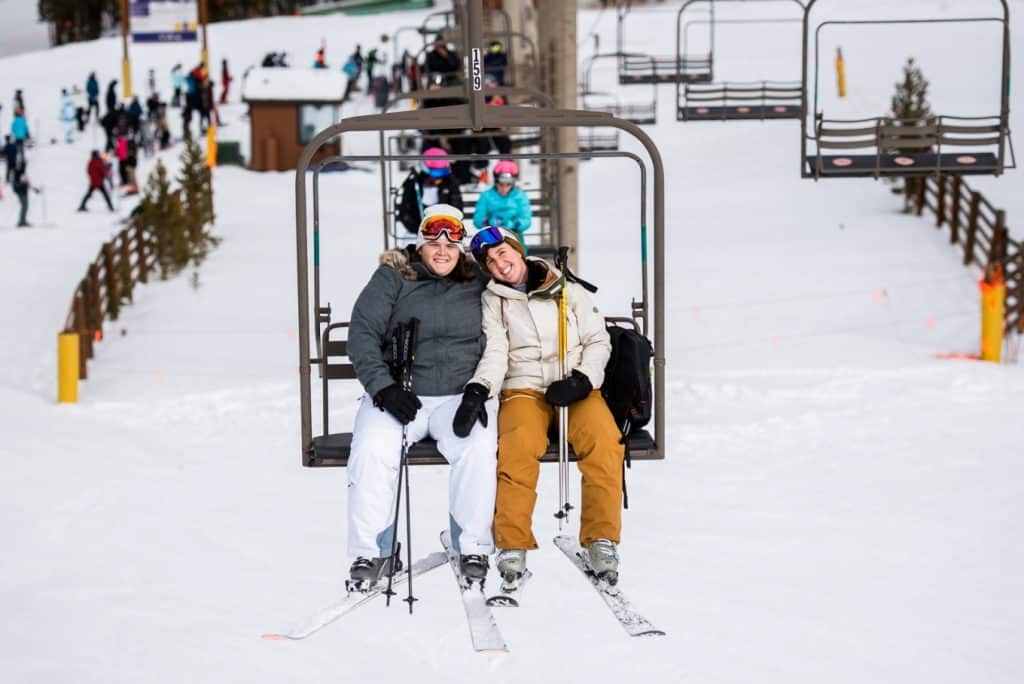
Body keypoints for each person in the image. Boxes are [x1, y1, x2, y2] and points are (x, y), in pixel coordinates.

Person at [345, 204, 497, 588]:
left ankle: (472, 545)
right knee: (372, 449)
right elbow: (362, 334)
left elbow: (516, 292)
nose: (443, 249)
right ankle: (372, 552)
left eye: (452, 240)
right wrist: (383, 388)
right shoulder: (393, 277)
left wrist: (479, 392)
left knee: (477, 448)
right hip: (401, 396)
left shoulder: (478, 280)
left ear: (462, 244)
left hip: (460, 398)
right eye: (433, 240)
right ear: (420, 243)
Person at [467, 227, 625, 585]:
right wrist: (482, 386)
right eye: (490, 262)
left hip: (574, 386)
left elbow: (597, 340)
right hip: (524, 387)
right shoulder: (495, 301)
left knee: (603, 442)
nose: (500, 264)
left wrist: (583, 379)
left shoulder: (567, 290)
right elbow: (496, 352)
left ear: (518, 251)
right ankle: (513, 542)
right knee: (517, 446)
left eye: (503, 254)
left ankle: (601, 538)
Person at [396, 147, 463, 234]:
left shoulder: (450, 183)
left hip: (445, 231)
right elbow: (404, 212)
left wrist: (445, 229)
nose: (437, 177)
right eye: (434, 173)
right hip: (416, 231)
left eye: (442, 172)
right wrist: (419, 231)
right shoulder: (413, 183)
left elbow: (457, 209)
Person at [471, 160, 532, 242]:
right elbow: (478, 220)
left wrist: (515, 224)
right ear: (496, 182)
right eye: (501, 184)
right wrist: (488, 222)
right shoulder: (486, 196)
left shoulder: (520, 196)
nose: (504, 188)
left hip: (514, 237)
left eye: (508, 184)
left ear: (513, 183)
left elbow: (526, 219)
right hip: (492, 237)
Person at [13, 162, 36, 227]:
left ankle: (23, 220)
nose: (25, 167)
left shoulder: (22, 173)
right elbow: (20, 183)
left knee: (25, 206)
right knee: (24, 206)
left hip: (23, 192)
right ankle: (22, 221)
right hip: (21, 192)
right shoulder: (19, 173)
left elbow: (27, 183)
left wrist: (34, 189)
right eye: (24, 166)